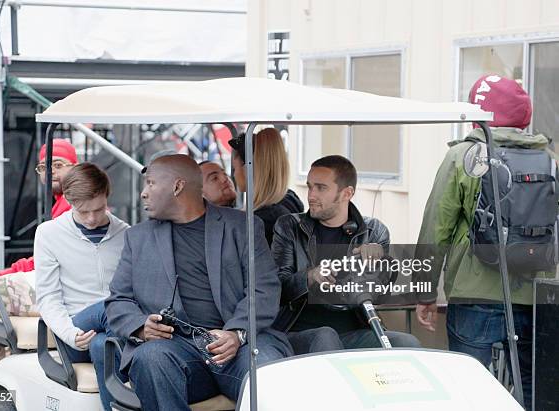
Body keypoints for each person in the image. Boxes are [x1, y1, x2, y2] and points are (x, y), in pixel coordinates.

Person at [105, 154, 292, 411]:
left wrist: (236, 333)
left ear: (177, 186)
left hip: (240, 347)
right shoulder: (137, 239)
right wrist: (140, 327)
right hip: (178, 350)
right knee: (151, 358)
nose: (143, 194)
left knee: (269, 373)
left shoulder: (242, 226)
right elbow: (118, 300)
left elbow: (264, 287)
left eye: (150, 184)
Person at [415, 75, 558, 410]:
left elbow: (437, 227)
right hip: (536, 294)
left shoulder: (465, 158)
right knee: (533, 387)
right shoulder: (549, 160)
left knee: (469, 389)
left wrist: (423, 293)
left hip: (473, 293)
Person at [272, 155, 421, 354]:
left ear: (347, 193)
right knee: (325, 336)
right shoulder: (289, 226)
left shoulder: (374, 232)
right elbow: (276, 289)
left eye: (321, 188)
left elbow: (376, 293)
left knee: (408, 344)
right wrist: (310, 276)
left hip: (354, 332)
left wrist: (379, 262)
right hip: (298, 332)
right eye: (310, 186)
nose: (311, 195)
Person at [0, 138, 77, 390]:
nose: (50, 171)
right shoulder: (62, 203)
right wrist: (4, 272)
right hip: (56, 282)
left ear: (76, 166)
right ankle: (3, 370)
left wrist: (1, 274)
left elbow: (46, 263)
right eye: (43, 167)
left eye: (58, 164)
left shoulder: (73, 204)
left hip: (63, 290)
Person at [35, 163, 130, 411]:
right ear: (68, 199)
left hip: (112, 332)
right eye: (83, 211)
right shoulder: (48, 234)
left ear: (107, 196)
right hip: (76, 331)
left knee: (102, 346)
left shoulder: (125, 234)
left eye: (98, 210)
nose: (91, 219)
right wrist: (70, 334)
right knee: (110, 307)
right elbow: (48, 298)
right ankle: (136, 350)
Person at [229, 128, 303, 245]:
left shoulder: (260, 222)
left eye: (235, 168)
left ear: (247, 169)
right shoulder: (289, 201)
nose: (234, 174)